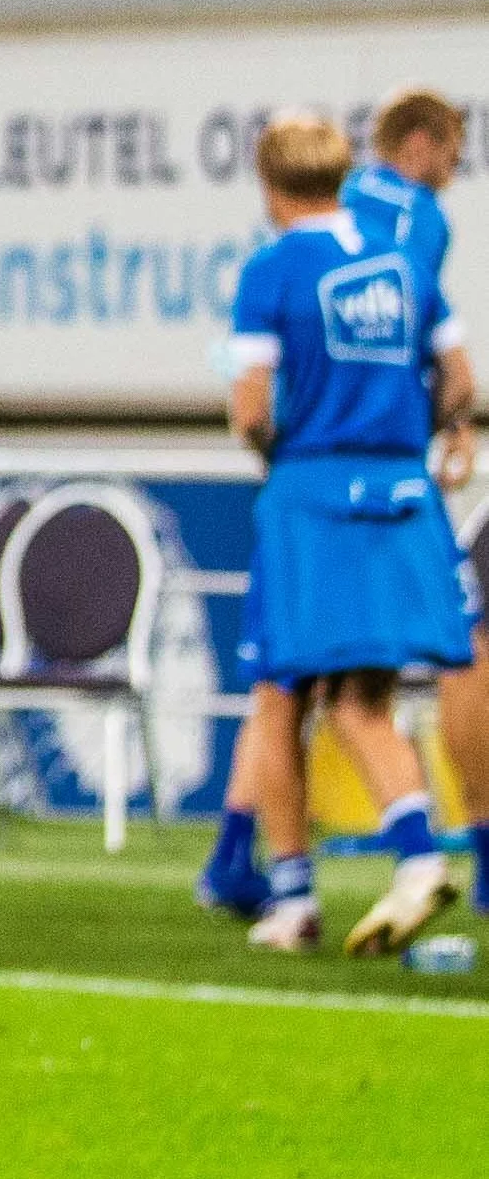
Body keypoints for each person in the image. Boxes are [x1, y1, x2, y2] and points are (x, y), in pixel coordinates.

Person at [203, 86, 484, 941]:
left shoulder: (273, 267)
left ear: (269, 185)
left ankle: (290, 888)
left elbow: (250, 407)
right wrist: (432, 429)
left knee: (284, 684)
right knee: (374, 690)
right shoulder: (405, 257)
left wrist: (280, 452)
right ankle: (419, 852)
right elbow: (460, 378)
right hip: (402, 489)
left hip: (312, 496)